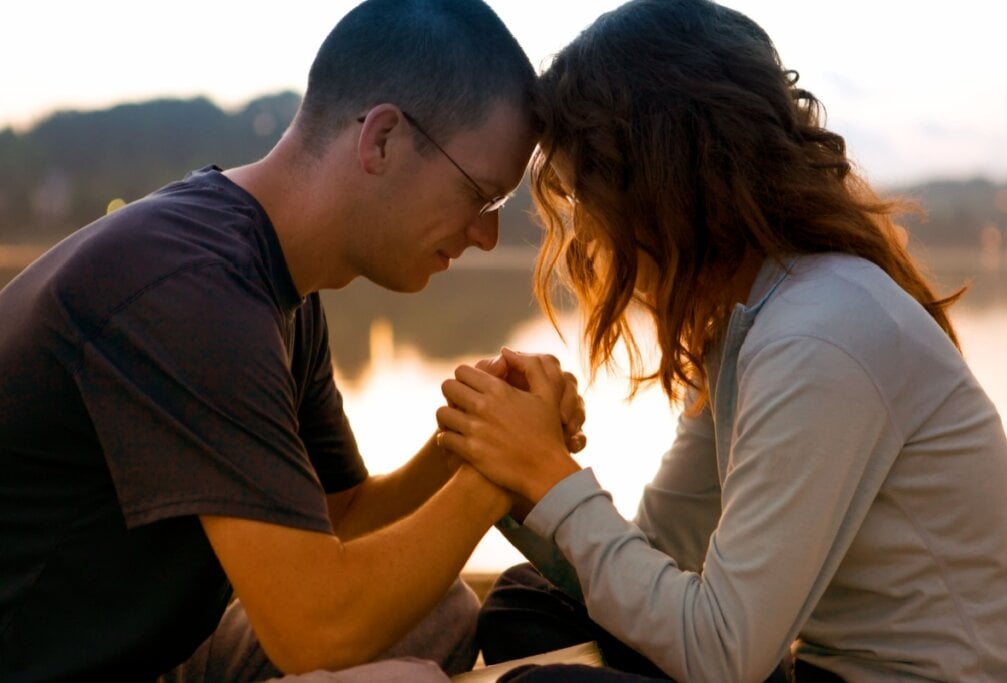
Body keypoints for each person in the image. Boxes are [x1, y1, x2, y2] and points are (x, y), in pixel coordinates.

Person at [434, 0, 1007, 681]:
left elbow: (722, 655)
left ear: (654, 181)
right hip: (808, 669)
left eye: (582, 194)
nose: (586, 238)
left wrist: (550, 474)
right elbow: (662, 552)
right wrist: (516, 469)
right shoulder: (758, 322)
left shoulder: (821, 333)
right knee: (525, 605)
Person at [0, 1, 587, 680]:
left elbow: (340, 519)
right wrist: (499, 470)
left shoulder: (274, 286)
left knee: (435, 612)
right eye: (481, 197)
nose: (484, 236)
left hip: (135, 653)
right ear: (383, 140)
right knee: (404, 679)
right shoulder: (191, 289)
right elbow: (319, 631)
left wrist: (469, 439)